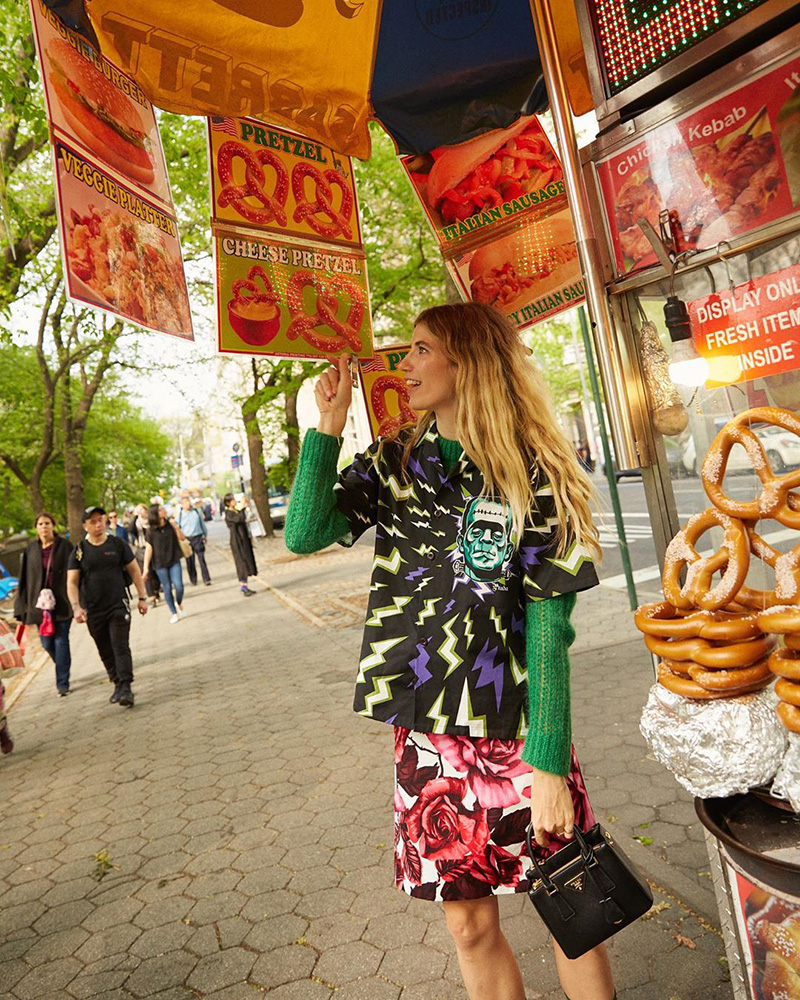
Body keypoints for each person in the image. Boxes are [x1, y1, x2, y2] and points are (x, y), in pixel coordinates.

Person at [284, 303, 615, 1000]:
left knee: (574, 910)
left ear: (465, 361)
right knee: (467, 926)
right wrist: (328, 428)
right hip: (428, 737)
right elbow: (305, 533)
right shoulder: (393, 463)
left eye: (421, 349)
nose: (404, 365)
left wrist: (550, 762)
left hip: (520, 732)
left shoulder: (535, 473)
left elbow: (551, 626)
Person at [67, 506, 148, 708]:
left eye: (100, 520)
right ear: (85, 525)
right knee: (104, 648)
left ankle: (126, 686)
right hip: (93, 608)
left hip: (118, 604)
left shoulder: (117, 544)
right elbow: (72, 582)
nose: (98, 524)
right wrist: (76, 607)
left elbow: (134, 570)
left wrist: (142, 597)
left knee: (120, 645)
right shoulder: (79, 551)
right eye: (92, 521)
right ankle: (117, 683)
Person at [14, 512, 74, 696]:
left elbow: (75, 573)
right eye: (40, 524)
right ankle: (62, 666)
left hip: (62, 601)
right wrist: (20, 607)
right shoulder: (30, 550)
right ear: (36, 527)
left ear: (53, 526)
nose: (44, 527)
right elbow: (23, 579)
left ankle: (62, 683)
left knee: (61, 640)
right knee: (47, 642)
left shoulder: (64, 546)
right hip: (39, 605)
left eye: (47, 523)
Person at [142, 504, 186, 624]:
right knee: (166, 587)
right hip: (160, 563)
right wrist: (145, 568)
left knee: (179, 585)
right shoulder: (150, 531)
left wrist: (176, 527)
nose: (164, 511)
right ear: (155, 514)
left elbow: (182, 538)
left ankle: (179, 601)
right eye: (160, 510)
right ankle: (174, 613)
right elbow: (149, 549)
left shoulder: (170, 525)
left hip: (174, 559)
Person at [223, 494, 257, 596]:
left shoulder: (235, 511)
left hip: (243, 540)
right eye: (232, 500)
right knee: (241, 563)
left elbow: (243, 518)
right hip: (237, 541)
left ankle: (245, 585)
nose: (234, 501)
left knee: (246, 561)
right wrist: (242, 508)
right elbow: (238, 519)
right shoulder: (229, 514)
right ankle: (243, 586)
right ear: (228, 502)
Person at [128, 504, 161, 607]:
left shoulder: (151, 521)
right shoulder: (137, 523)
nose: (141, 512)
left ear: (146, 511)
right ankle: (152, 597)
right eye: (138, 511)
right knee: (147, 573)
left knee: (156, 573)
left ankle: (157, 588)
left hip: (154, 549)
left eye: (142, 510)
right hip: (142, 549)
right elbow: (130, 530)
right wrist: (134, 516)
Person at [176, 496, 211, 586]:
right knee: (190, 561)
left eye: (189, 502)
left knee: (201, 559)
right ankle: (193, 579)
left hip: (198, 537)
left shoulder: (196, 512)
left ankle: (206, 578)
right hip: (187, 539)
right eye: (185, 502)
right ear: (182, 504)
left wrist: (205, 535)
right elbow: (177, 527)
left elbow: (202, 524)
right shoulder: (180, 515)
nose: (188, 504)